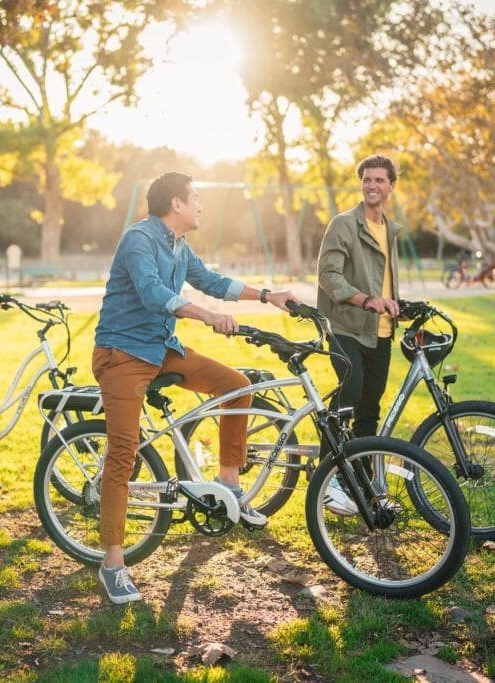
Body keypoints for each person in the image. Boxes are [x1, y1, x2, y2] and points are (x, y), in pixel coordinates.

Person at [91, 172, 297, 604]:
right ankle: (112, 563)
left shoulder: (179, 246)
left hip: (161, 348)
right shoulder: (139, 239)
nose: (201, 205)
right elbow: (152, 293)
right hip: (122, 354)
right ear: (176, 204)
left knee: (236, 386)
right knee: (124, 452)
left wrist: (267, 295)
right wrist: (207, 317)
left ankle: (228, 482)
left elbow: (214, 281)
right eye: (196, 198)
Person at [316, 154, 402, 514]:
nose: (372, 186)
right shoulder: (344, 224)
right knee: (350, 393)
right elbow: (329, 275)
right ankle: (324, 480)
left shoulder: (390, 229)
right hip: (345, 326)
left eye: (380, 180)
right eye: (367, 179)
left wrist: (399, 306)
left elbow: (385, 281)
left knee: (369, 410)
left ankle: (362, 487)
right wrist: (367, 300)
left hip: (380, 332)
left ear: (391, 186)